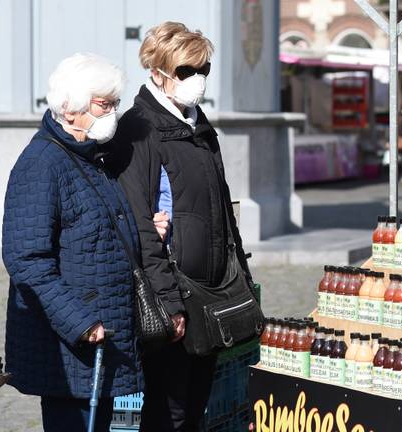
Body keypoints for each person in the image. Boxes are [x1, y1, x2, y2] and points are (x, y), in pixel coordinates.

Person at [111, 22, 254, 431]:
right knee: (166, 414)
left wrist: (239, 274)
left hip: (211, 292)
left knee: (195, 410)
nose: (198, 80)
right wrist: (170, 303)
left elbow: (223, 211)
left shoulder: (200, 127)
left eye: (204, 69)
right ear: (158, 72)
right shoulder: (138, 130)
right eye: (186, 71)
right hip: (172, 292)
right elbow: (141, 224)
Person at [1, 53, 142, 431]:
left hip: (111, 340)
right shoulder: (43, 163)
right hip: (76, 347)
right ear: (70, 107)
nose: (113, 112)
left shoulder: (91, 158)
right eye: (103, 104)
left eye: (115, 103)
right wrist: (81, 324)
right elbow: (26, 259)